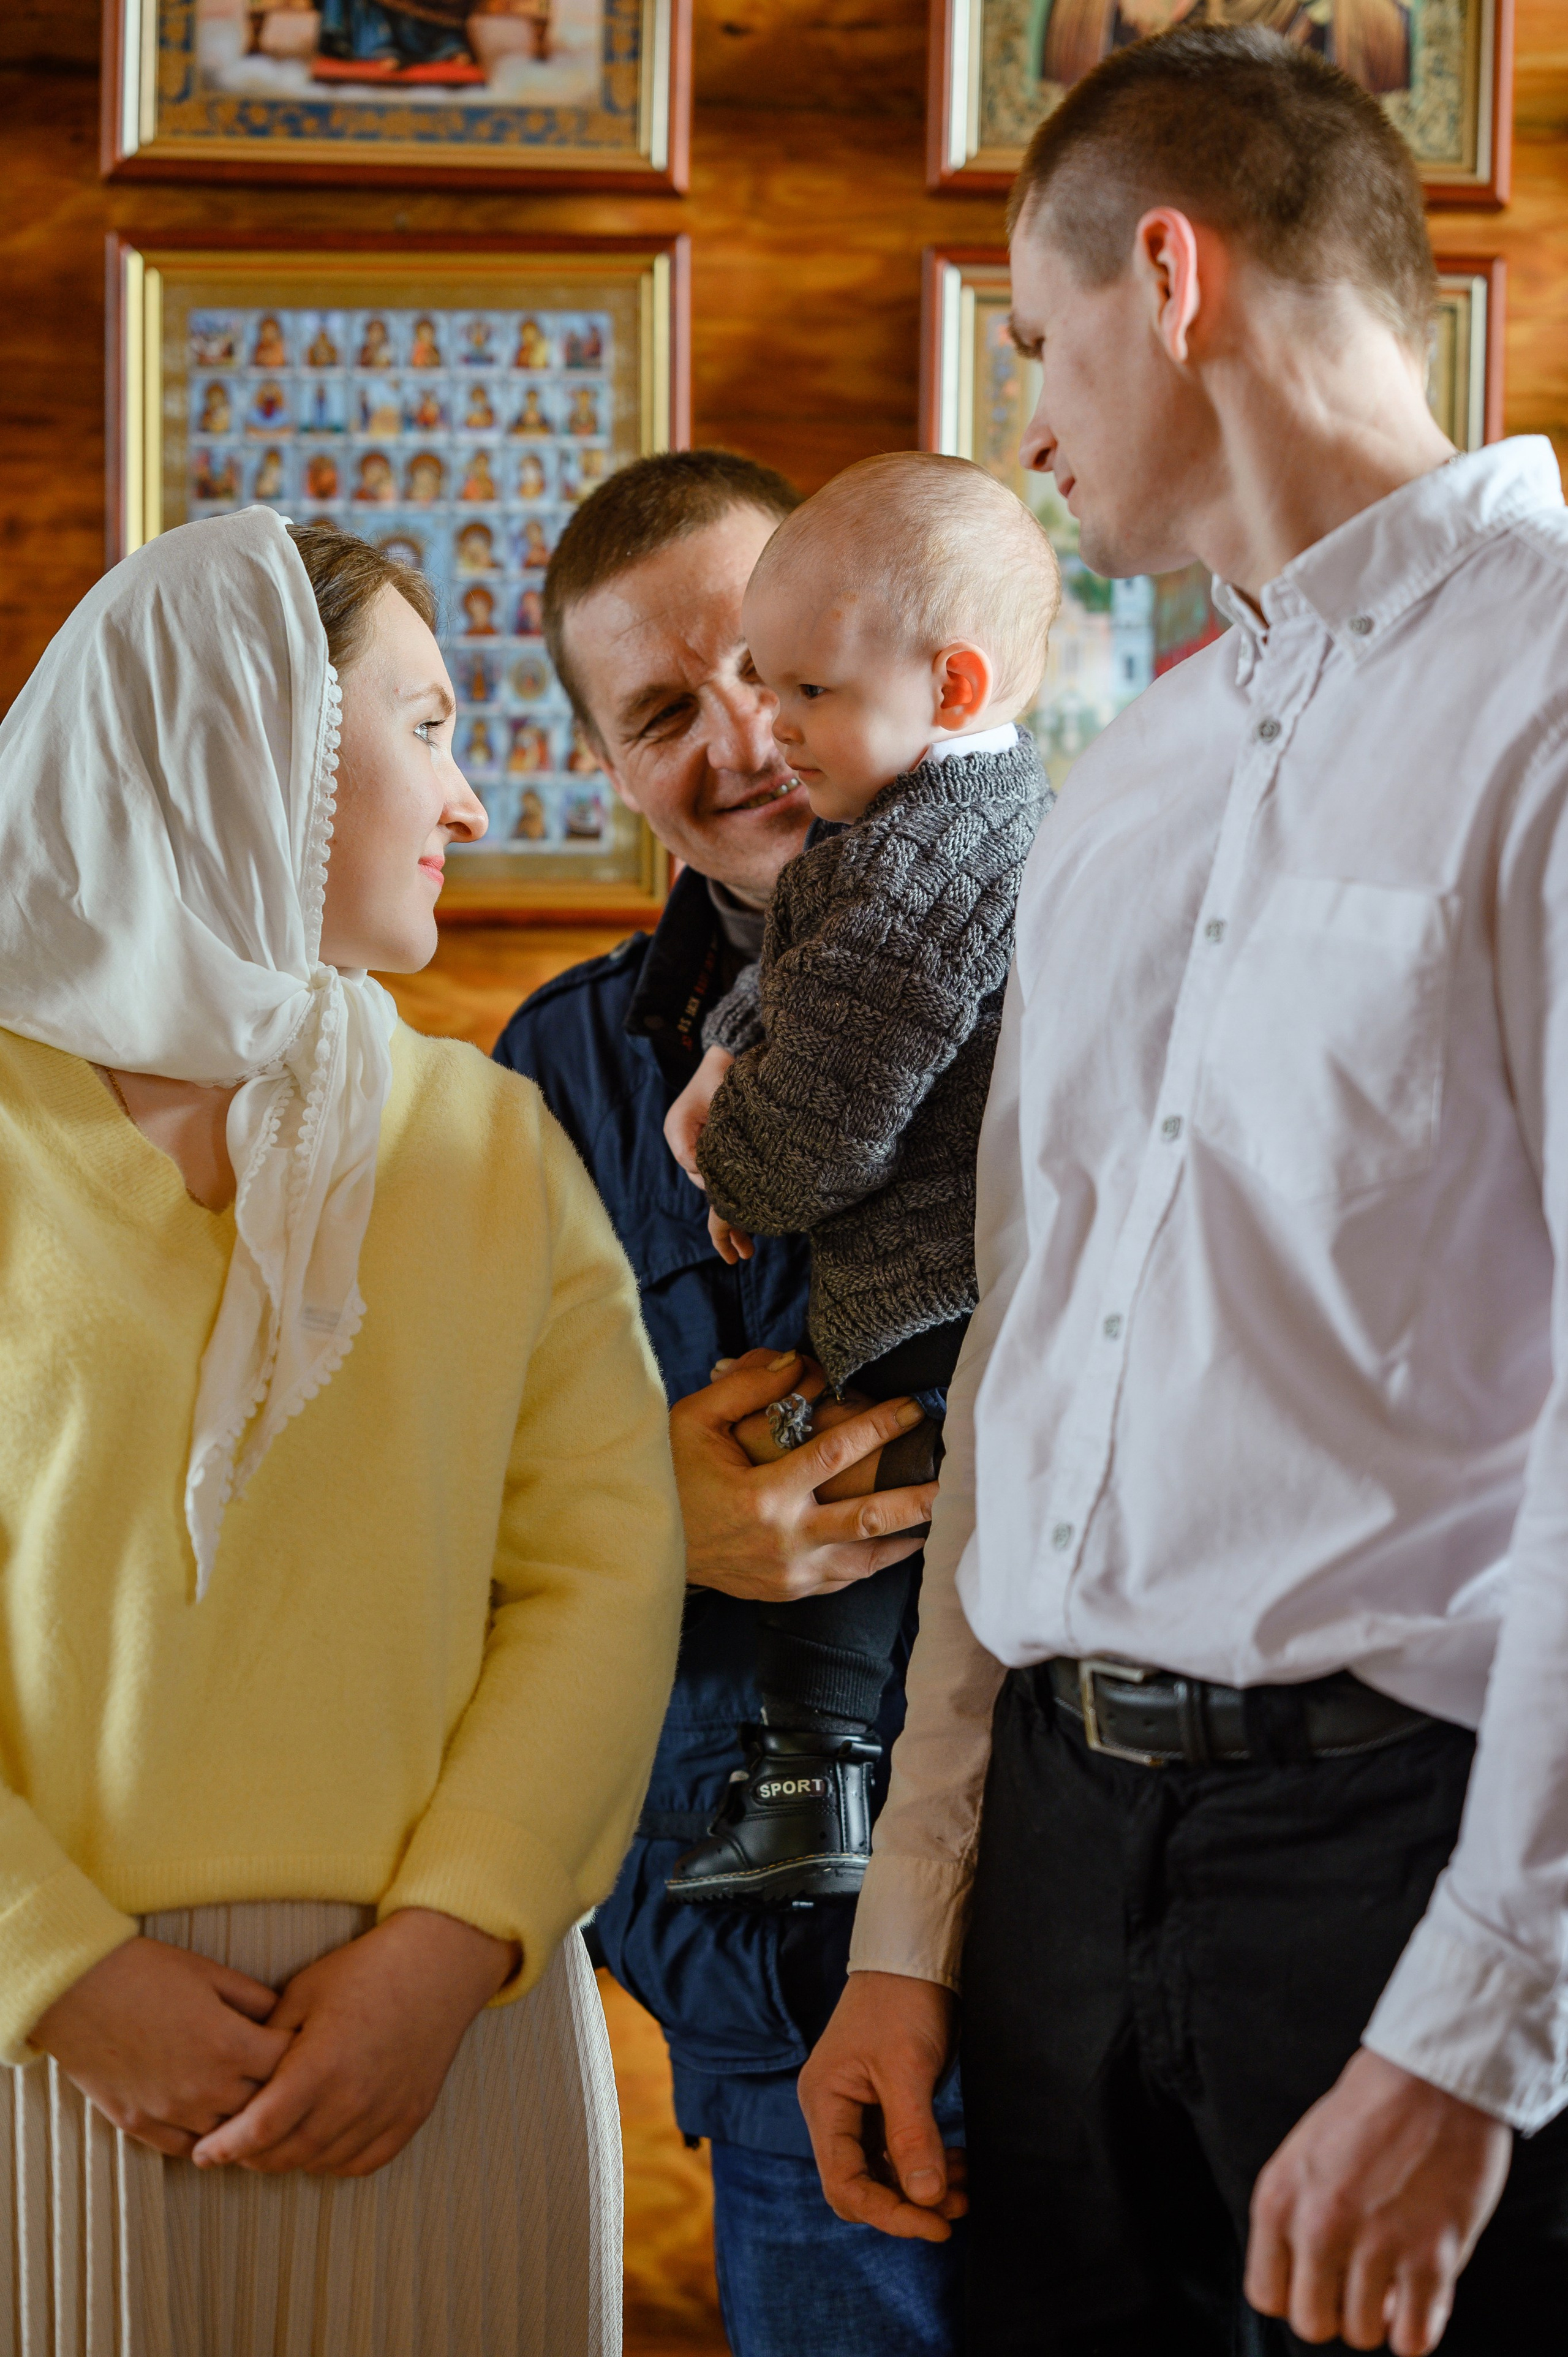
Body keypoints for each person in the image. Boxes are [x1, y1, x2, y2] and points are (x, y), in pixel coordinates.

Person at [799, 27, 1568, 2356]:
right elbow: (1025, 1351)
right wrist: (917, 1920)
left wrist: (1483, 2024)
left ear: (1170, 274)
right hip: (1050, 1868)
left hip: (1409, 1868)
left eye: (1038, 344)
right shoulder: (1125, 778)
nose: (1025, 424)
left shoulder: (1549, 694)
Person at [0, 508, 684, 2355]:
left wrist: (450, 1944)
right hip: (37, 2061)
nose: (468, 800)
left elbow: (604, 1577)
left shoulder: (486, 1142)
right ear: (249, 739)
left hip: (445, 2053)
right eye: (429, 726)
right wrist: (52, 1972)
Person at [492, 449, 967, 2357]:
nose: (745, 739)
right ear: (612, 769)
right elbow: (428, 1519)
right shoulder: (554, 1078)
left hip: (1108, 1956)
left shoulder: (1095, 964)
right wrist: (649, 1531)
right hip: (770, 2006)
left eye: (771, 669)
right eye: (665, 713)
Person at [660, 453, 1056, 1906]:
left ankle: (810, 1779)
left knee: (836, 1492)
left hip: (936, 1281)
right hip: (961, 1266)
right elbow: (798, 979)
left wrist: (733, 1164)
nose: (769, 727)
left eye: (806, 690)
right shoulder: (949, 817)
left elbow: (826, 1118)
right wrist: (726, 1046)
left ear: (950, 684)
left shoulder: (913, 874)